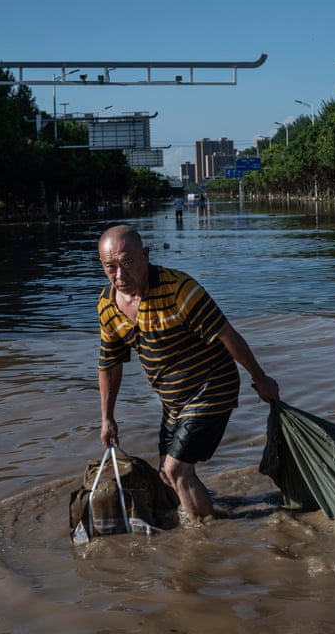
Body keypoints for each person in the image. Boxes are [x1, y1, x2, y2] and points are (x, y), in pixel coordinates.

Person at [96, 223, 280, 521]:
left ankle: (203, 540)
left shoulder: (179, 289)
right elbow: (110, 364)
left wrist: (260, 379)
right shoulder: (107, 305)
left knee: (176, 469)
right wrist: (107, 418)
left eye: (128, 263)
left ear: (145, 255)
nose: (120, 275)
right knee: (166, 476)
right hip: (173, 400)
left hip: (212, 386)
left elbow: (227, 335)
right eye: (110, 267)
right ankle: (205, 516)